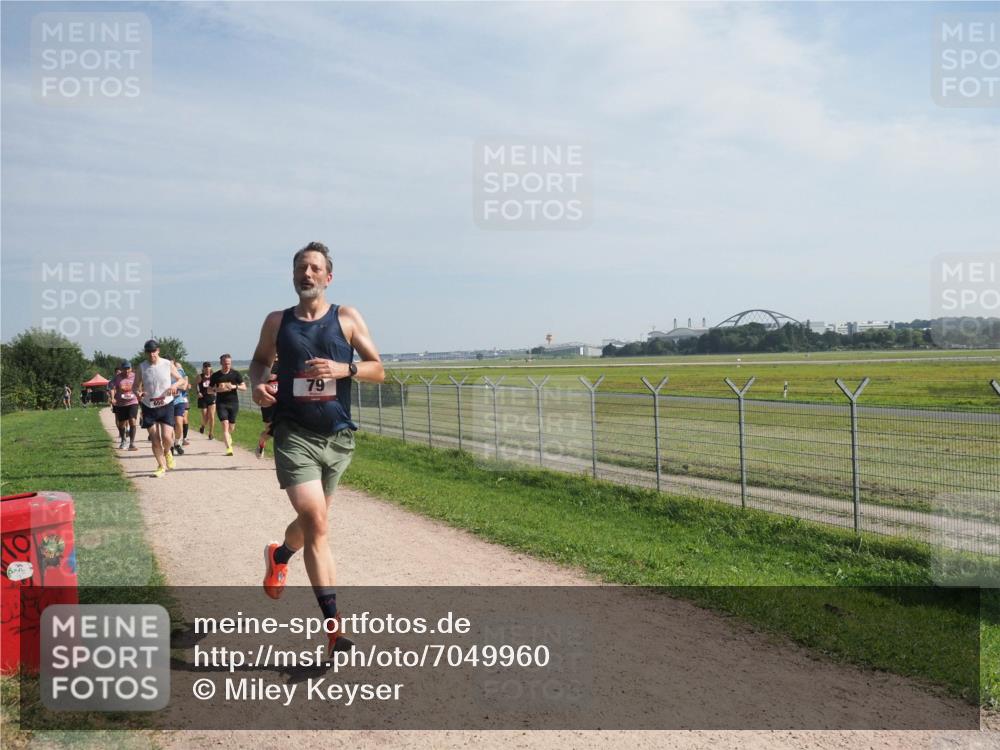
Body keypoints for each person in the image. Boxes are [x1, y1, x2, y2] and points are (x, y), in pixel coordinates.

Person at [250, 241, 384, 655]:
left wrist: (344, 368)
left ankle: (281, 554)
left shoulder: (346, 317)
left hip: (338, 438)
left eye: (314, 268)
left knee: (312, 524)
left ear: (328, 276)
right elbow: (258, 361)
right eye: (300, 269)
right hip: (294, 435)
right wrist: (257, 386)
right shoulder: (277, 321)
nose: (306, 274)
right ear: (293, 277)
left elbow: (379, 369)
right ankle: (333, 628)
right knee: (318, 524)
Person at [135, 339, 187, 478]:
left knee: (166, 437)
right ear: (146, 353)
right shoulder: (141, 367)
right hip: (149, 405)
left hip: (166, 404)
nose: (152, 354)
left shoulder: (167, 364)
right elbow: (136, 385)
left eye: (154, 351)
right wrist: (138, 393)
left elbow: (181, 380)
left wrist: (174, 386)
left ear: (158, 350)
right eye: (149, 352)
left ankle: (167, 452)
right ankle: (161, 466)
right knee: (155, 438)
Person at [209, 354, 246, 456]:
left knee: (231, 428)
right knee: (225, 425)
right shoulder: (216, 376)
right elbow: (208, 390)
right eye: (225, 363)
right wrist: (217, 389)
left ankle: (227, 438)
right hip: (221, 403)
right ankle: (229, 448)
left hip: (233, 403)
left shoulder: (236, 374)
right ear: (221, 363)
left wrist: (234, 386)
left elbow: (244, 387)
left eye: (229, 363)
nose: (227, 365)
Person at [109, 361, 140, 451]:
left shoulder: (135, 376)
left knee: (132, 421)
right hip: (121, 403)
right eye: (125, 369)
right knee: (122, 423)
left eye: (128, 368)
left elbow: (140, 384)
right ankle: (123, 440)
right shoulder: (117, 378)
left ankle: (132, 443)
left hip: (133, 401)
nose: (127, 371)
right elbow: (112, 387)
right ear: (122, 369)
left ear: (131, 368)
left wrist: (140, 392)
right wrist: (112, 398)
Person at [256, 364, 279, 459]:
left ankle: (280, 458)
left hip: (281, 403)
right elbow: (256, 381)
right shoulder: (264, 365)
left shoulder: (285, 363)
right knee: (270, 431)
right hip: (267, 404)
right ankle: (261, 443)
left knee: (282, 431)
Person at [170, 360, 190, 456]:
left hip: (179, 401)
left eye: (172, 363)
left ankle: (177, 442)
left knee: (179, 423)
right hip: (166, 402)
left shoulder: (179, 372)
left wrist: (176, 387)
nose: (170, 365)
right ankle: (170, 445)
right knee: (169, 426)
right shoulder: (161, 373)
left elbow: (185, 386)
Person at [196, 362, 216, 439]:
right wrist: (198, 392)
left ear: (210, 368)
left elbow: (217, 385)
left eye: (208, 368)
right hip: (203, 398)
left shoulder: (213, 376)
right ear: (203, 369)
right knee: (205, 416)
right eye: (205, 368)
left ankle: (211, 433)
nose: (207, 369)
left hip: (211, 397)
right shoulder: (200, 376)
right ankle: (203, 426)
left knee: (211, 416)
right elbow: (196, 385)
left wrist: (215, 390)